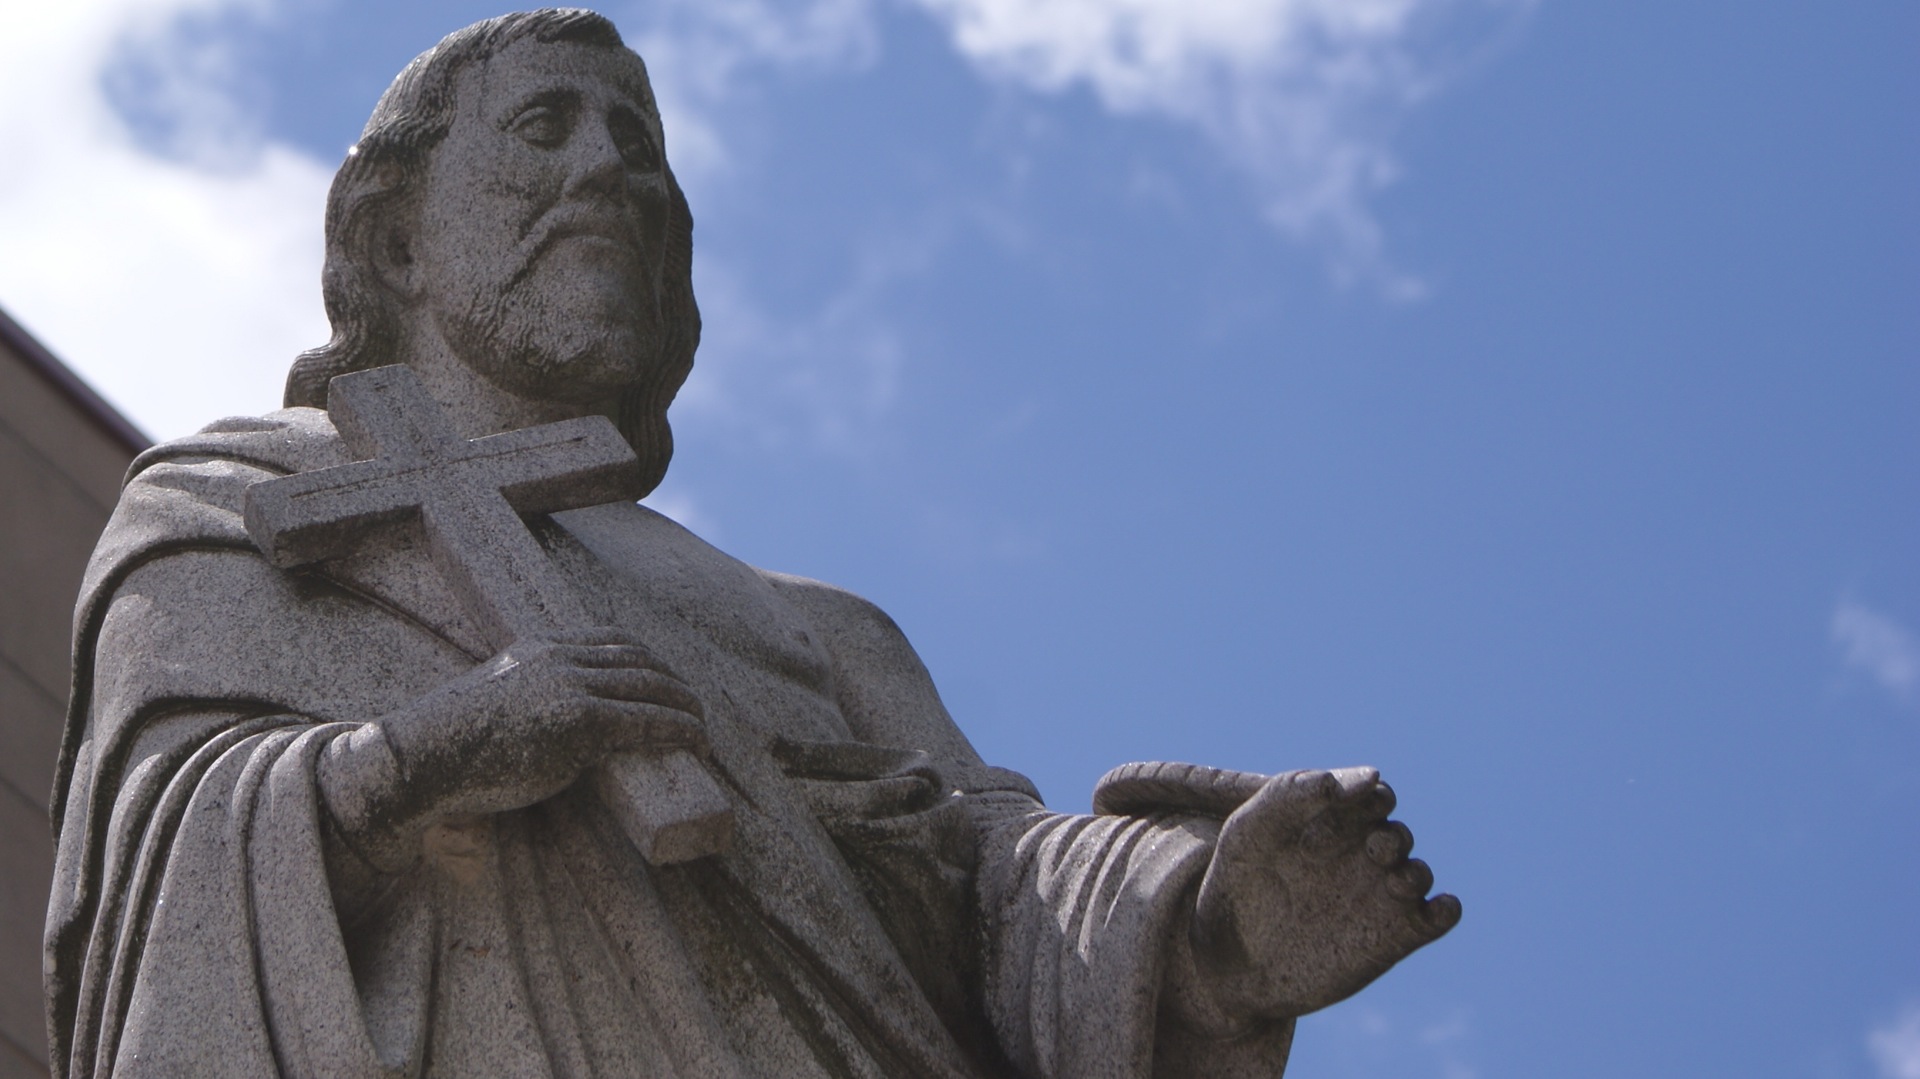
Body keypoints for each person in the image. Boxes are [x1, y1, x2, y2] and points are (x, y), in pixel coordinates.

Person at [47, 10, 1459, 1078]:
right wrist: (428, 761)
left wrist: (1208, 929)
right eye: (546, 129)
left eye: (638, 147)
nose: (609, 170)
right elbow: (160, 879)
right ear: (397, 237)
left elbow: (999, 876)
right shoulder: (240, 505)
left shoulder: (825, 629)